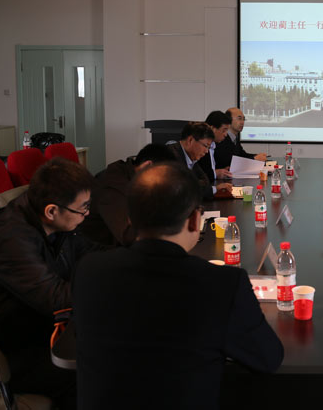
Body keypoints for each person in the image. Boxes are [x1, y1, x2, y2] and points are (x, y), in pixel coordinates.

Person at [73, 163, 284, 409]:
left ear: (129, 219)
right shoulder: (223, 284)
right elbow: (268, 358)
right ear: (195, 220)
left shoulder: (89, 271)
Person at [0, 158, 99, 409]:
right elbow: (56, 298)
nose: (87, 214)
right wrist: (111, 287)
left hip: (27, 338)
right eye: (83, 208)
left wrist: (132, 262)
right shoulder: (10, 238)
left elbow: (91, 254)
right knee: (91, 371)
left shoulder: (54, 221)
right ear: (51, 211)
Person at [76, 143, 175, 246]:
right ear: (148, 166)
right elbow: (128, 236)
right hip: (97, 248)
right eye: (164, 177)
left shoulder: (133, 178)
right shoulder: (113, 185)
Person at [167, 122, 231, 200]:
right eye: (206, 146)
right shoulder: (170, 156)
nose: (206, 151)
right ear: (190, 140)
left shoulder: (192, 158)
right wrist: (215, 189)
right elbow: (185, 188)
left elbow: (205, 181)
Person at [198, 110, 233, 182]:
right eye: (224, 130)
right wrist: (215, 173)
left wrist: (222, 171)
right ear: (212, 129)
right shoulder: (199, 146)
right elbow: (197, 175)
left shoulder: (215, 144)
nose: (225, 135)